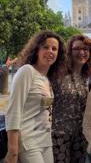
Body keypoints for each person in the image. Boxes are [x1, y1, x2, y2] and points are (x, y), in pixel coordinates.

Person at [5, 30, 66, 163]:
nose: (51, 51)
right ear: (37, 50)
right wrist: (13, 151)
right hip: (28, 142)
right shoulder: (27, 71)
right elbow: (13, 111)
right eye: (46, 47)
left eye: (54, 49)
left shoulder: (46, 79)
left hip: (45, 141)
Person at [52, 35, 91, 163]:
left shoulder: (86, 76)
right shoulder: (58, 73)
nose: (82, 52)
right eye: (77, 49)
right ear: (69, 51)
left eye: (86, 49)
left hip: (80, 135)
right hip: (58, 134)